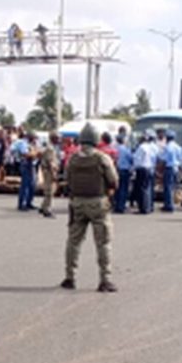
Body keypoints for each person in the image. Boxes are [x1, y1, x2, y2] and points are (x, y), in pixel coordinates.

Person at [61, 124, 119, 293]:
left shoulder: (73, 158)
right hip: (98, 203)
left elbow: (67, 179)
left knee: (73, 241)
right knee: (103, 242)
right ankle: (105, 280)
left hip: (77, 203)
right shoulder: (102, 158)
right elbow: (113, 180)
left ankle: (69, 277)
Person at [132, 132, 157, 214]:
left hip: (142, 168)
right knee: (148, 189)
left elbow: (137, 159)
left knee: (142, 189)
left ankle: (143, 209)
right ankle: (148, 207)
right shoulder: (151, 147)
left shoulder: (141, 147)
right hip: (150, 168)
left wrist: (133, 168)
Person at [39, 133, 61, 218]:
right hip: (48, 171)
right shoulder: (50, 149)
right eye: (58, 138)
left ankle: (43, 206)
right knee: (50, 191)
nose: (59, 140)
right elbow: (50, 162)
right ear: (54, 139)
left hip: (47, 170)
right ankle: (47, 209)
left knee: (48, 189)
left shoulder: (51, 148)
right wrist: (54, 174)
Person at [161, 130, 182, 212]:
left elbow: (164, 159)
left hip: (169, 168)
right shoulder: (178, 147)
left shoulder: (167, 147)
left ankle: (169, 205)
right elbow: (180, 159)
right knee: (173, 187)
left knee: (168, 187)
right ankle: (171, 203)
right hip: (176, 168)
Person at [15, 132, 38, 211]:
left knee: (33, 185)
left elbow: (35, 152)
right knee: (25, 185)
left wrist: (35, 152)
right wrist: (35, 153)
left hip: (32, 165)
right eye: (34, 138)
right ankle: (22, 204)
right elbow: (25, 154)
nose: (35, 139)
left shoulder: (32, 144)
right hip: (25, 165)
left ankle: (29, 202)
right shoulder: (23, 143)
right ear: (29, 137)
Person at [113, 133, 133, 214]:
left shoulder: (114, 149)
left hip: (116, 170)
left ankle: (117, 205)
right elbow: (131, 159)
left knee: (117, 189)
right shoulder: (126, 149)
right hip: (124, 170)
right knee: (123, 189)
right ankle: (121, 206)